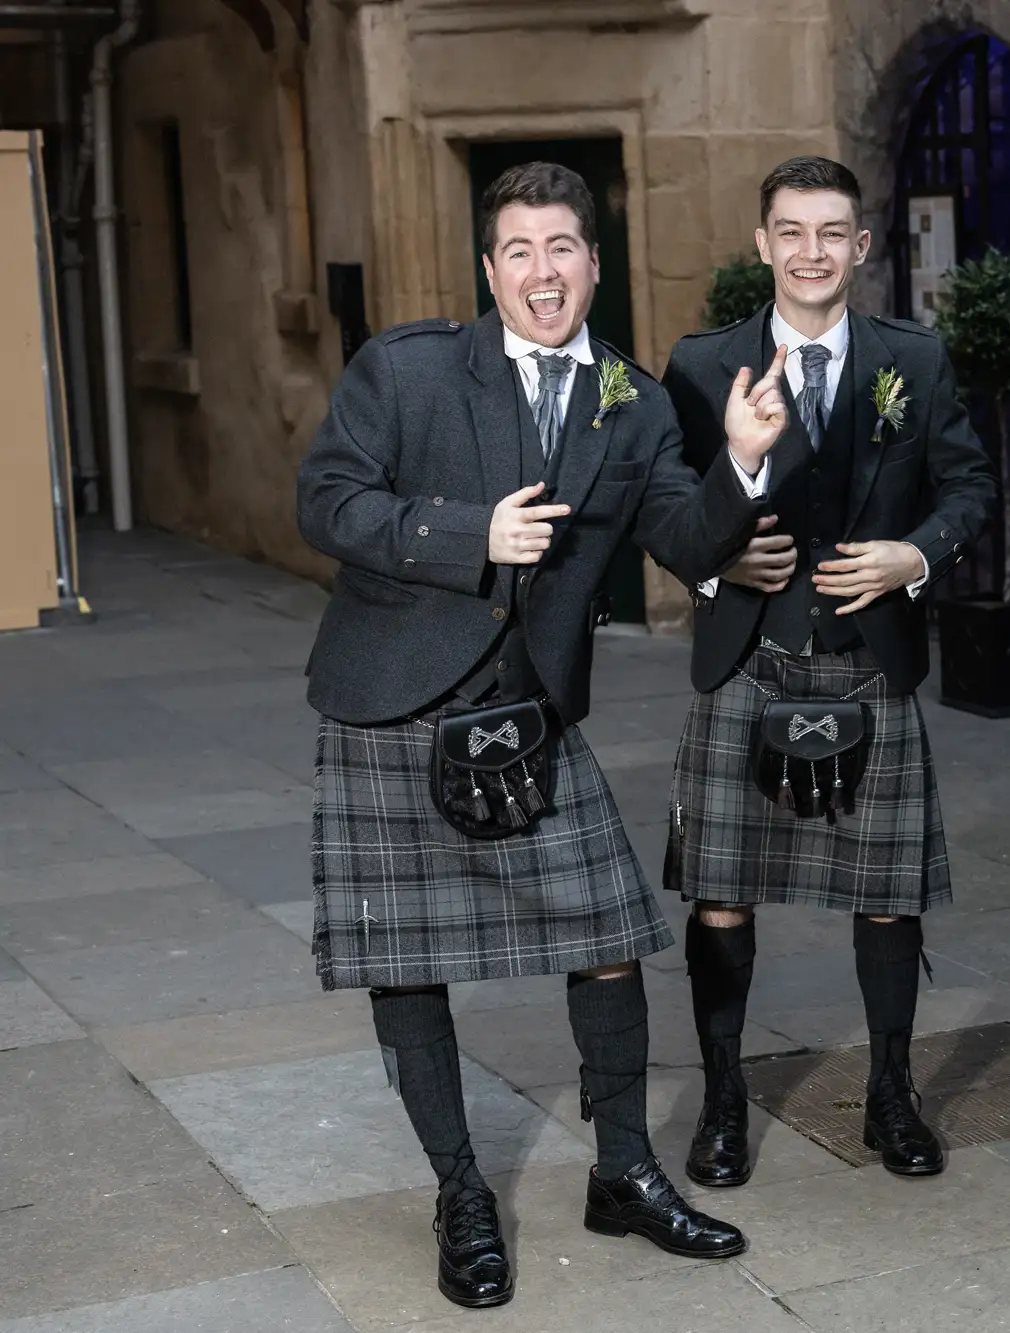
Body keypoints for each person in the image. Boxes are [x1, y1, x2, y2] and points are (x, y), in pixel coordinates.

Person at [297, 162, 783, 1308]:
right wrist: (471, 534)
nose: (542, 272)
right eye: (518, 251)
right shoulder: (407, 370)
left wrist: (745, 461)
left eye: (562, 248)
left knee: (610, 930)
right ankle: (460, 1192)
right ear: (488, 269)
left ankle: (622, 1171)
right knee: (407, 965)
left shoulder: (632, 397)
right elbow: (325, 500)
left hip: (528, 712)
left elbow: (681, 533)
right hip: (392, 700)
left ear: (594, 263)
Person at [656, 156, 996, 1186]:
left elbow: (969, 486)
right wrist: (719, 570)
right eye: (789, 231)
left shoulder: (916, 359)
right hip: (747, 662)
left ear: (860, 246)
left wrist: (916, 555)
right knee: (720, 895)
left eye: (831, 232)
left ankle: (892, 1094)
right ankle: (722, 1100)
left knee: (888, 896)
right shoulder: (700, 364)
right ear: (761, 244)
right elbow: (665, 519)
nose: (810, 251)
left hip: (867, 660)